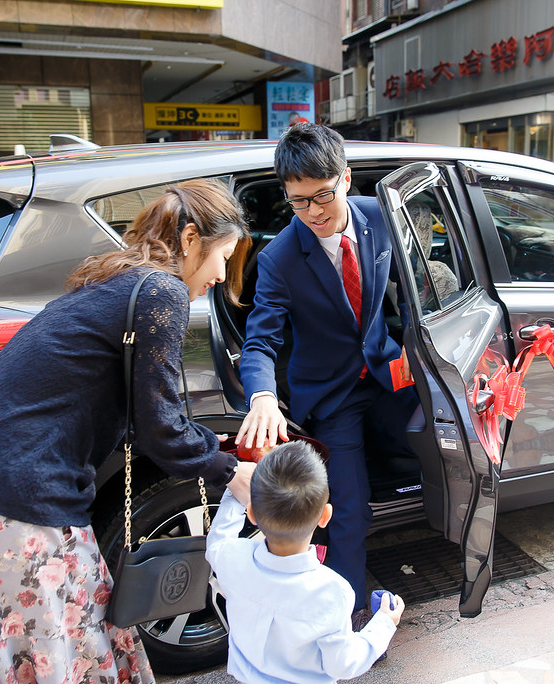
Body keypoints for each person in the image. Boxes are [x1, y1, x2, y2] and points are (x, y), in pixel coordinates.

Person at [0, 179, 256, 684]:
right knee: (62, 659)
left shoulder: (118, 279)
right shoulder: (162, 290)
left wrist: (206, 447)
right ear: (191, 240)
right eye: (223, 255)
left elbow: (141, 410)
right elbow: (162, 427)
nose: (221, 275)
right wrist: (232, 472)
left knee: (38, 655)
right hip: (23, 515)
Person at [236, 123, 419, 622]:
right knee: (348, 512)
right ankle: (346, 616)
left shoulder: (379, 217)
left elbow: (415, 284)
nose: (314, 212)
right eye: (298, 202)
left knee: (443, 442)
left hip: (386, 373)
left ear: (346, 177)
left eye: (323, 195)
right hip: (331, 396)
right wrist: (263, 398)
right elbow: (261, 340)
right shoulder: (278, 259)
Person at [206, 441, 404, 683]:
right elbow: (343, 664)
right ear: (325, 516)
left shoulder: (232, 559)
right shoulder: (333, 590)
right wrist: (384, 623)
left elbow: (218, 539)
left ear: (252, 515)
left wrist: (233, 491)